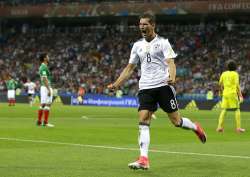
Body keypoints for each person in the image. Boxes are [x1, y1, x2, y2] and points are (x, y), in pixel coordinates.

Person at [107, 13, 206, 170]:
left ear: (153, 25)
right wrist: (116, 84)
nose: (142, 27)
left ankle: (195, 127)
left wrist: (172, 77)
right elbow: (129, 68)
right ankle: (143, 159)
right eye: (140, 24)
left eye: (145, 24)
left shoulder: (163, 43)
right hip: (145, 87)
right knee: (143, 120)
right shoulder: (137, 46)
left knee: (176, 121)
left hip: (163, 86)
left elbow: (171, 63)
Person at [216, 60, 245, 133]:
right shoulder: (235, 74)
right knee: (237, 109)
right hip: (232, 93)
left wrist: (220, 92)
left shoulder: (224, 73)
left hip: (225, 93)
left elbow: (220, 84)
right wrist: (240, 95)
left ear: (227, 67)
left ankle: (219, 127)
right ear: (235, 67)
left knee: (224, 110)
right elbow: (237, 85)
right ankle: (238, 128)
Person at [37, 53, 54, 127]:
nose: (49, 57)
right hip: (46, 87)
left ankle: (39, 121)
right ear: (44, 58)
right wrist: (49, 89)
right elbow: (44, 78)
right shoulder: (43, 67)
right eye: (47, 56)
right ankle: (45, 122)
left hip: (44, 87)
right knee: (48, 104)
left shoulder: (43, 67)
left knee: (43, 104)